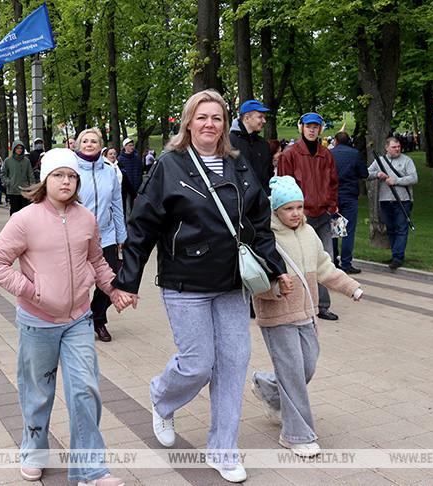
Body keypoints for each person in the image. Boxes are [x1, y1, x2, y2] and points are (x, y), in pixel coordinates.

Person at [113, 89, 291, 483]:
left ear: (224, 123)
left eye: (216, 117)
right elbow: (142, 226)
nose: (209, 124)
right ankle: (162, 397)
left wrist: (275, 268)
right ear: (188, 122)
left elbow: (259, 221)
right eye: (201, 117)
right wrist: (126, 281)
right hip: (185, 281)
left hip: (232, 282)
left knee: (233, 362)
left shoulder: (238, 163)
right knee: (197, 363)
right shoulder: (168, 165)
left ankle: (223, 450)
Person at [0, 149, 128, 486]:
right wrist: (32, 291)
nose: (67, 181)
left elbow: (96, 262)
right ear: (45, 179)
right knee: (38, 392)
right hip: (37, 322)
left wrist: (113, 290)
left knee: (85, 390)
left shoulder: (86, 218)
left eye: (72, 176)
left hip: (78, 318)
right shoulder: (25, 219)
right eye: (59, 175)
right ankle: (34, 451)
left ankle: (90, 470)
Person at [250, 176, 363, 458]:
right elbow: (253, 279)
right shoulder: (265, 236)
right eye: (288, 208)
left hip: (307, 313)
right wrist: (275, 288)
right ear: (275, 210)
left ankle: (268, 388)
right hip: (277, 315)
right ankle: (296, 435)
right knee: (292, 373)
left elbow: (325, 267)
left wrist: (351, 287)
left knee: (306, 368)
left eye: (300, 207)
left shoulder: (309, 233)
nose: (296, 213)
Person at [278, 112, 340, 321]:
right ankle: (297, 304)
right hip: (299, 216)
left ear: (321, 129)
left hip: (322, 214)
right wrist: (290, 213)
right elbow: (283, 185)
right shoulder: (290, 154)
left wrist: (331, 206)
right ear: (301, 128)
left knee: (324, 260)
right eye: (308, 126)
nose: (312, 130)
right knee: (297, 261)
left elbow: (333, 183)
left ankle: (322, 305)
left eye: (316, 126)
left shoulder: (326, 154)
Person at [75, 129, 126, 342]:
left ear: (100, 145)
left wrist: (121, 235)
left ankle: (98, 319)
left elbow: (117, 203)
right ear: (78, 145)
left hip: (106, 234)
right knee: (79, 281)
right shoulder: (72, 169)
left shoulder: (109, 170)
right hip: (77, 235)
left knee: (111, 278)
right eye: (85, 141)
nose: (89, 144)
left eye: (94, 141)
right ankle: (77, 322)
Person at [366, 137, 418, 269]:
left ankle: (398, 257)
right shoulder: (380, 161)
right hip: (385, 199)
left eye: (399, 146)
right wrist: (377, 174)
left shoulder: (407, 160)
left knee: (401, 228)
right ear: (387, 148)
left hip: (402, 200)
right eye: (394, 147)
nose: (397, 149)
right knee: (390, 228)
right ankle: (395, 254)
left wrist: (396, 181)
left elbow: (413, 178)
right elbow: (366, 173)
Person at [329, 131, 368, 274]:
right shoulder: (355, 153)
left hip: (334, 196)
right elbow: (364, 174)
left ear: (336, 141)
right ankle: (346, 263)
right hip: (349, 196)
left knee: (335, 230)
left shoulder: (330, 154)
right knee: (348, 231)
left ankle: (333, 261)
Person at [229, 100, 274, 195]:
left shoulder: (264, 144)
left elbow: (269, 173)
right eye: (260, 117)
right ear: (247, 118)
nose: (264, 121)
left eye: (264, 117)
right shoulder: (228, 143)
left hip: (263, 202)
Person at [0, 140, 36, 215]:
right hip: (13, 191)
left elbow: (30, 175)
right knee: (14, 211)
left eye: (21, 148)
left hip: (24, 190)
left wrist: (33, 187)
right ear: (14, 149)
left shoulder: (26, 161)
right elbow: (3, 174)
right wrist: (9, 182)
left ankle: (23, 226)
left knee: (24, 212)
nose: (19, 150)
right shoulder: (8, 161)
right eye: (17, 148)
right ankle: (14, 226)